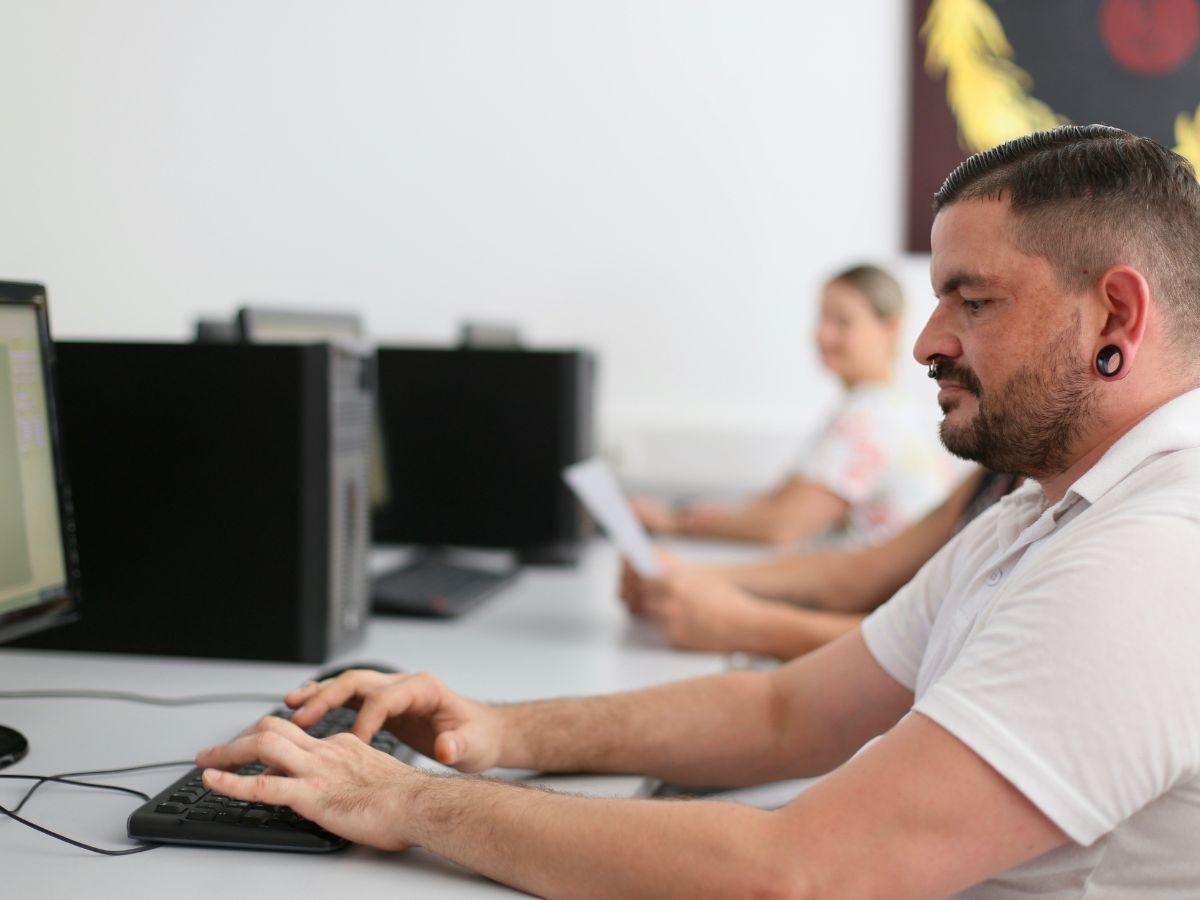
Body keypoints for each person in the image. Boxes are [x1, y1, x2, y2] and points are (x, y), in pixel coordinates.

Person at [197, 125, 1200, 897]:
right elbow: (785, 711)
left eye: (972, 301)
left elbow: (798, 874)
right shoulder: (1044, 511)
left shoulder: (1153, 557)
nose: (926, 342)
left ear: (1115, 314)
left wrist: (408, 802)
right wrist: (497, 730)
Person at [632, 264, 952, 547]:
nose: (823, 335)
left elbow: (782, 526)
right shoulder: (891, 408)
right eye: (822, 318)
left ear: (891, 329)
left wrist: (673, 522)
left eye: (842, 322)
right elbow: (781, 499)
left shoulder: (872, 419)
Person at [621, 467, 1019, 659]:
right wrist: (693, 577)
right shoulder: (996, 470)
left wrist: (744, 623)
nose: (927, 349)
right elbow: (858, 572)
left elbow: (780, 525)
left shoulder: (873, 416)